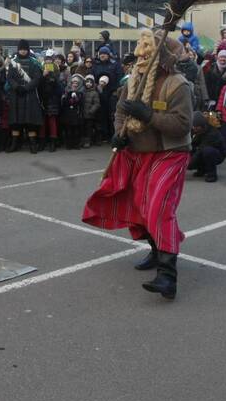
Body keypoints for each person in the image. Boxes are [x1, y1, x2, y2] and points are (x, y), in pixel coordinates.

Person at [82, 30, 193, 300]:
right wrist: (119, 132)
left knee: (159, 206)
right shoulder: (133, 80)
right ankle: (157, 251)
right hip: (138, 152)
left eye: (148, 52)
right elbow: (121, 110)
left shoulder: (178, 84)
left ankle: (168, 276)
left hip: (170, 152)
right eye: (140, 52)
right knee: (142, 206)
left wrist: (149, 116)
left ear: (161, 57)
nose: (141, 57)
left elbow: (182, 126)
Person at [5, 39, 43, 153]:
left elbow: (37, 78)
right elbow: (10, 78)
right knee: (15, 121)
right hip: (16, 94)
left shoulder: (34, 62)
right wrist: (17, 87)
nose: (22, 51)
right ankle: (14, 144)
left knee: (30, 121)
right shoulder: (13, 62)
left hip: (29, 94)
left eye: (24, 49)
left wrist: (26, 88)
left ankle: (33, 144)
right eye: (21, 49)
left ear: (27, 49)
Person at [187, 111, 225, 182]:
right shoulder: (196, 130)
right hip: (203, 150)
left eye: (196, 127)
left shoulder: (212, 133)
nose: (194, 128)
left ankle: (212, 174)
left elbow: (200, 150)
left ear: (202, 125)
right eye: (193, 126)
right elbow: (191, 146)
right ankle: (201, 170)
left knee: (207, 151)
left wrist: (189, 164)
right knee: (192, 148)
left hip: (217, 154)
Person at [39, 51, 64, 151]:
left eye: (50, 60)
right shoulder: (40, 70)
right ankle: (42, 142)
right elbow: (38, 86)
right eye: (46, 60)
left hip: (52, 100)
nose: (48, 62)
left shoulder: (56, 72)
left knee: (52, 121)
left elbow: (60, 89)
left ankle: (53, 142)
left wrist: (53, 77)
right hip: (42, 100)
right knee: (42, 122)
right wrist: (43, 76)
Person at [59, 74, 87, 149]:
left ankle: (76, 144)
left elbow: (81, 103)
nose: (74, 84)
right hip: (68, 114)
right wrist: (68, 99)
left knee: (76, 130)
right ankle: (69, 144)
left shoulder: (81, 93)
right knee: (68, 130)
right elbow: (64, 103)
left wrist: (76, 99)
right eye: (73, 82)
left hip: (76, 113)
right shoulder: (66, 91)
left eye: (76, 83)